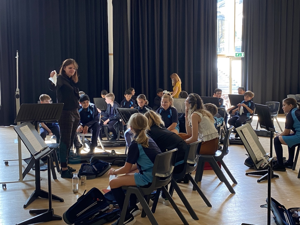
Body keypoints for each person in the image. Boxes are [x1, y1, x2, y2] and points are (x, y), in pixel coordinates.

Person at [108, 113, 161, 225]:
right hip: (159, 176)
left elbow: (126, 168)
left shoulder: (135, 143)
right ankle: (133, 207)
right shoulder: (149, 139)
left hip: (149, 179)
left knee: (113, 183)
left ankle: (126, 216)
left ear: (130, 127)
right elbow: (140, 163)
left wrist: (114, 171)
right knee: (129, 175)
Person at [49, 58, 79, 178]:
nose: (72, 70)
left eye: (74, 68)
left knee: (71, 140)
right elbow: (53, 86)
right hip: (65, 113)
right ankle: (64, 168)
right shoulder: (60, 78)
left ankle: (66, 163)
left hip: (74, 112)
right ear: (64, 68)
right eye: (70, 68)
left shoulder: (71, 80)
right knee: (65, 140)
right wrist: (52, 79)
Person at [273, 98, 300, 171]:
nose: (282, 107)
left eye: (284, 105)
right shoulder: (297, 111)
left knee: (276, 140)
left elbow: (286, 132)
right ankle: (290, 162)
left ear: (290, 105)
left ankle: (280, 165)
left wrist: (279, 135)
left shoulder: (290, 114)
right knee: (289, 137)